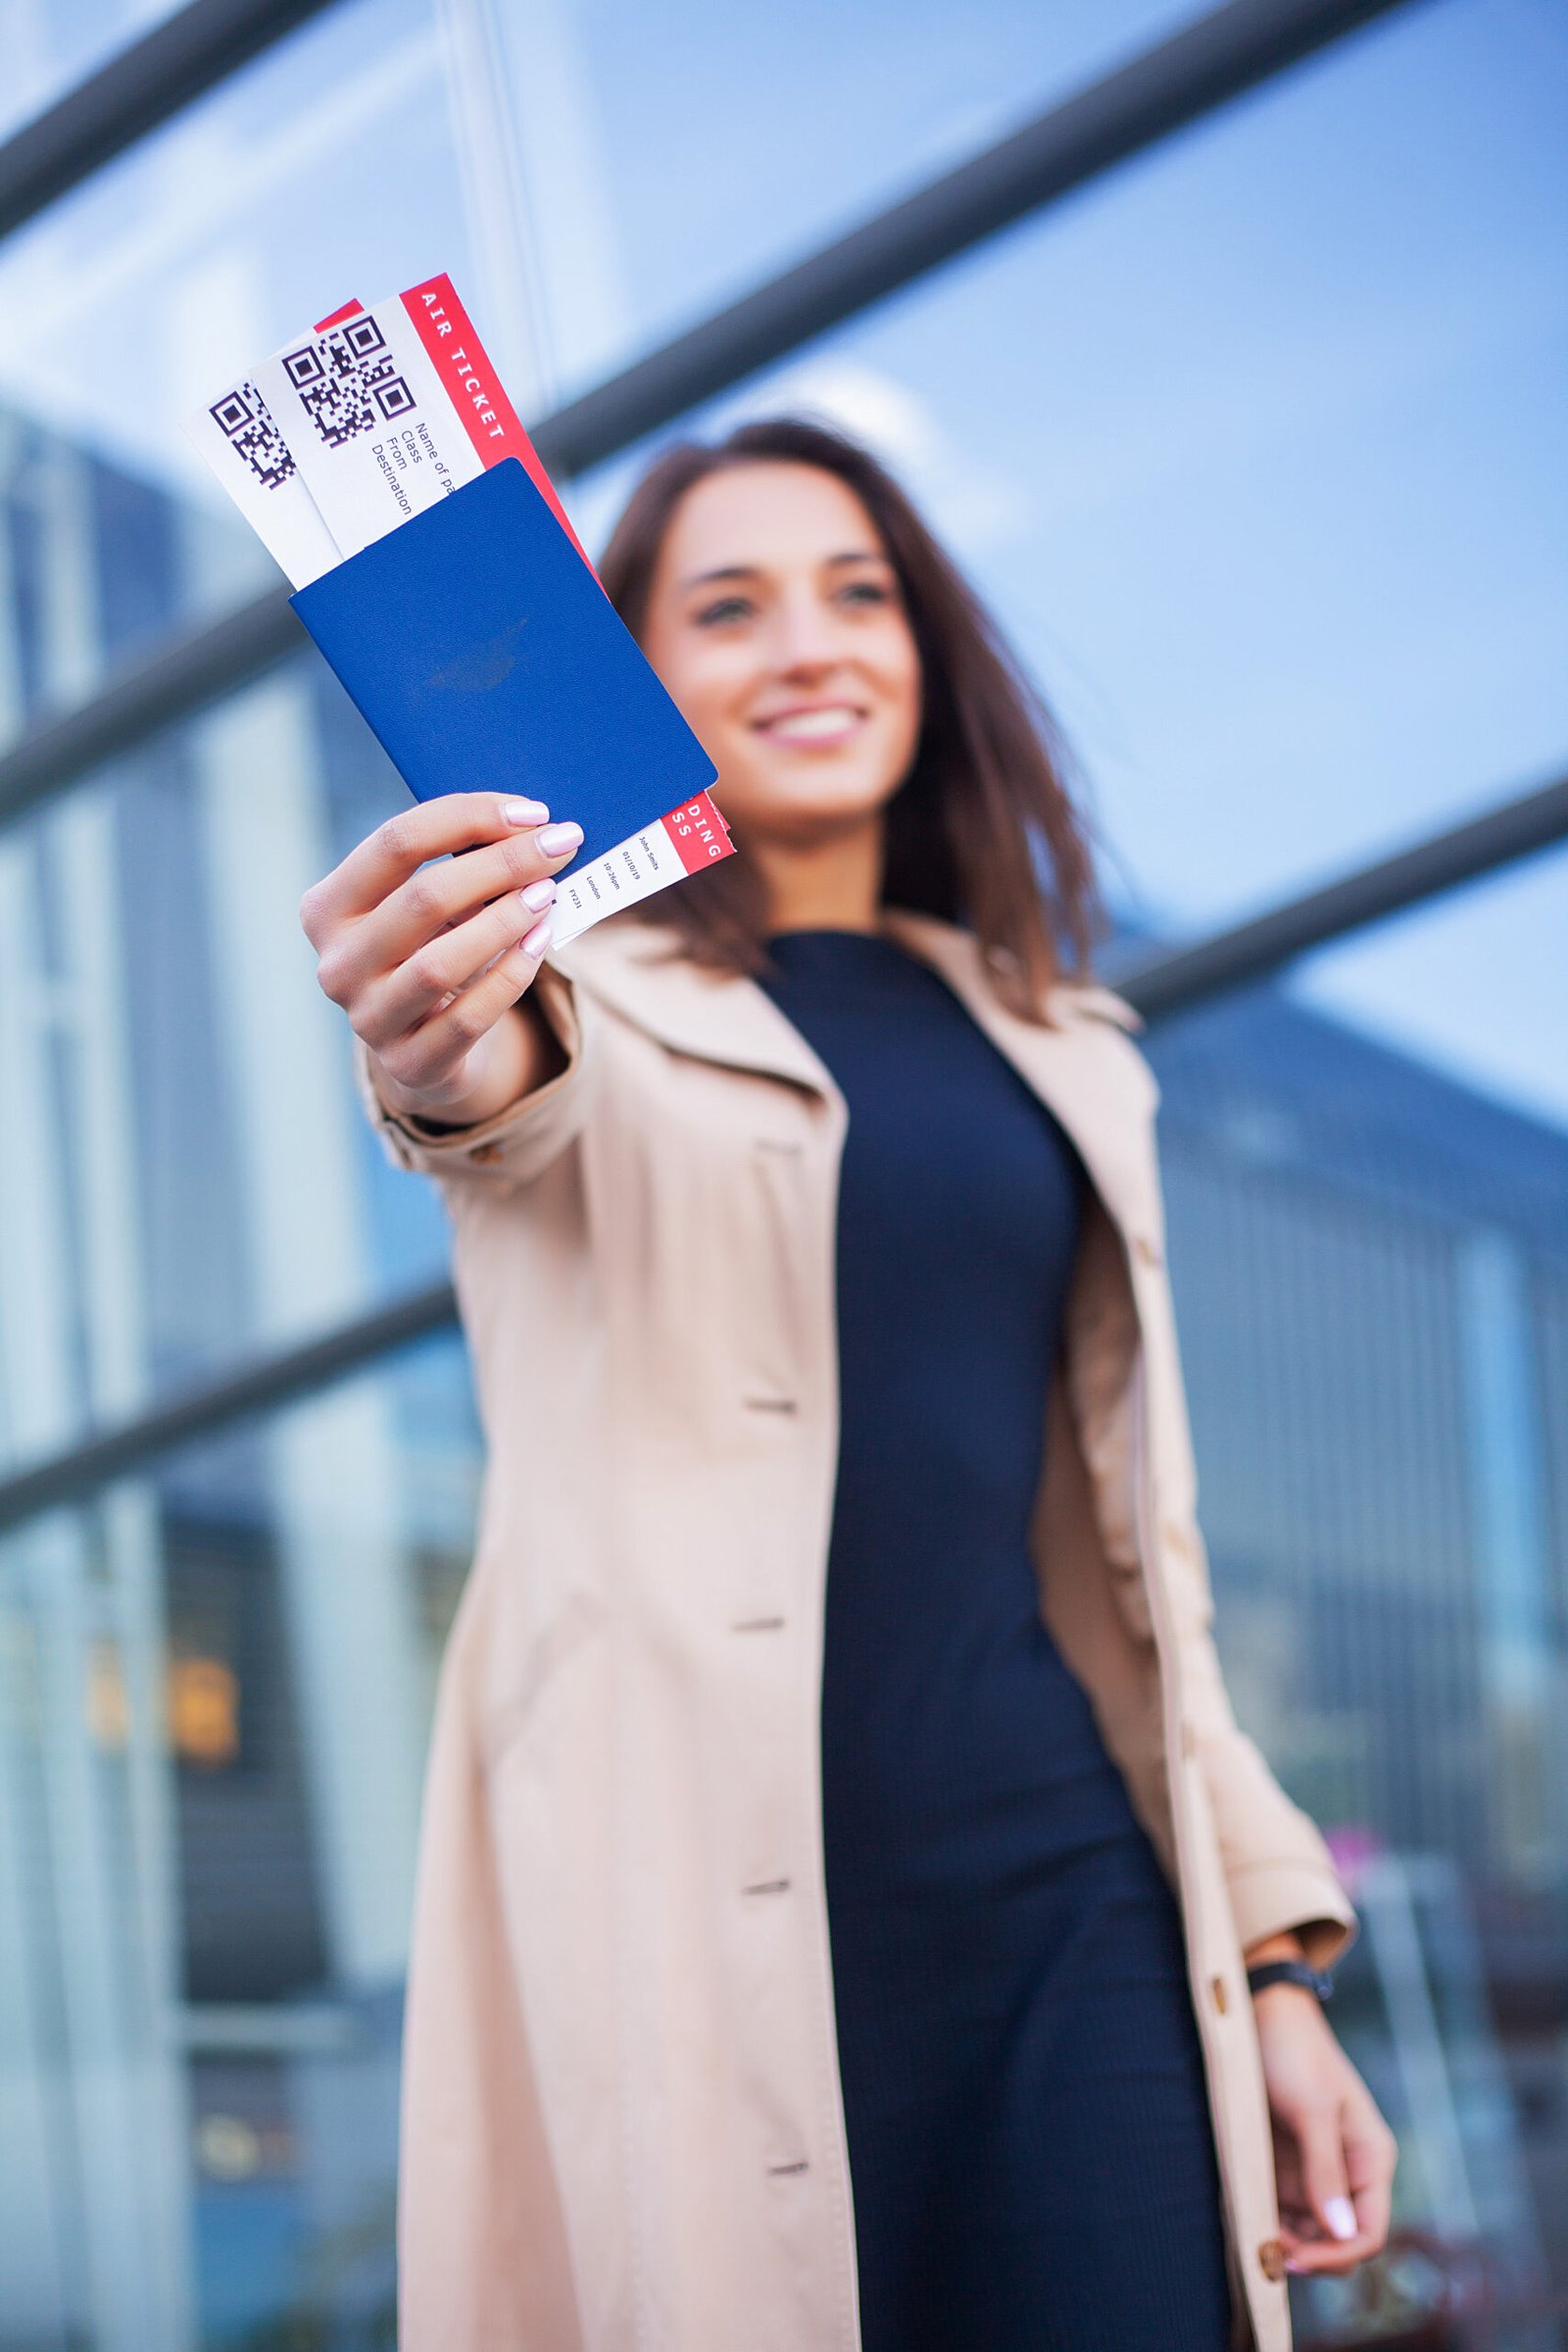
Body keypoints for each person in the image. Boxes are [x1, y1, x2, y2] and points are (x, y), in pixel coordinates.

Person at [302, 418, 1396, 2351]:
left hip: (1068, 1900)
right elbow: (484, 1106)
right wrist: (427, 1035)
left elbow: (1150, 1570)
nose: (808, 645)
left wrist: (1273, 1965)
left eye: (858, 591)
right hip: (693, 1938)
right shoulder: (572, 999)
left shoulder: (1067, 1047)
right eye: (726, 605)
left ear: (925, 653)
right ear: (635, 675)